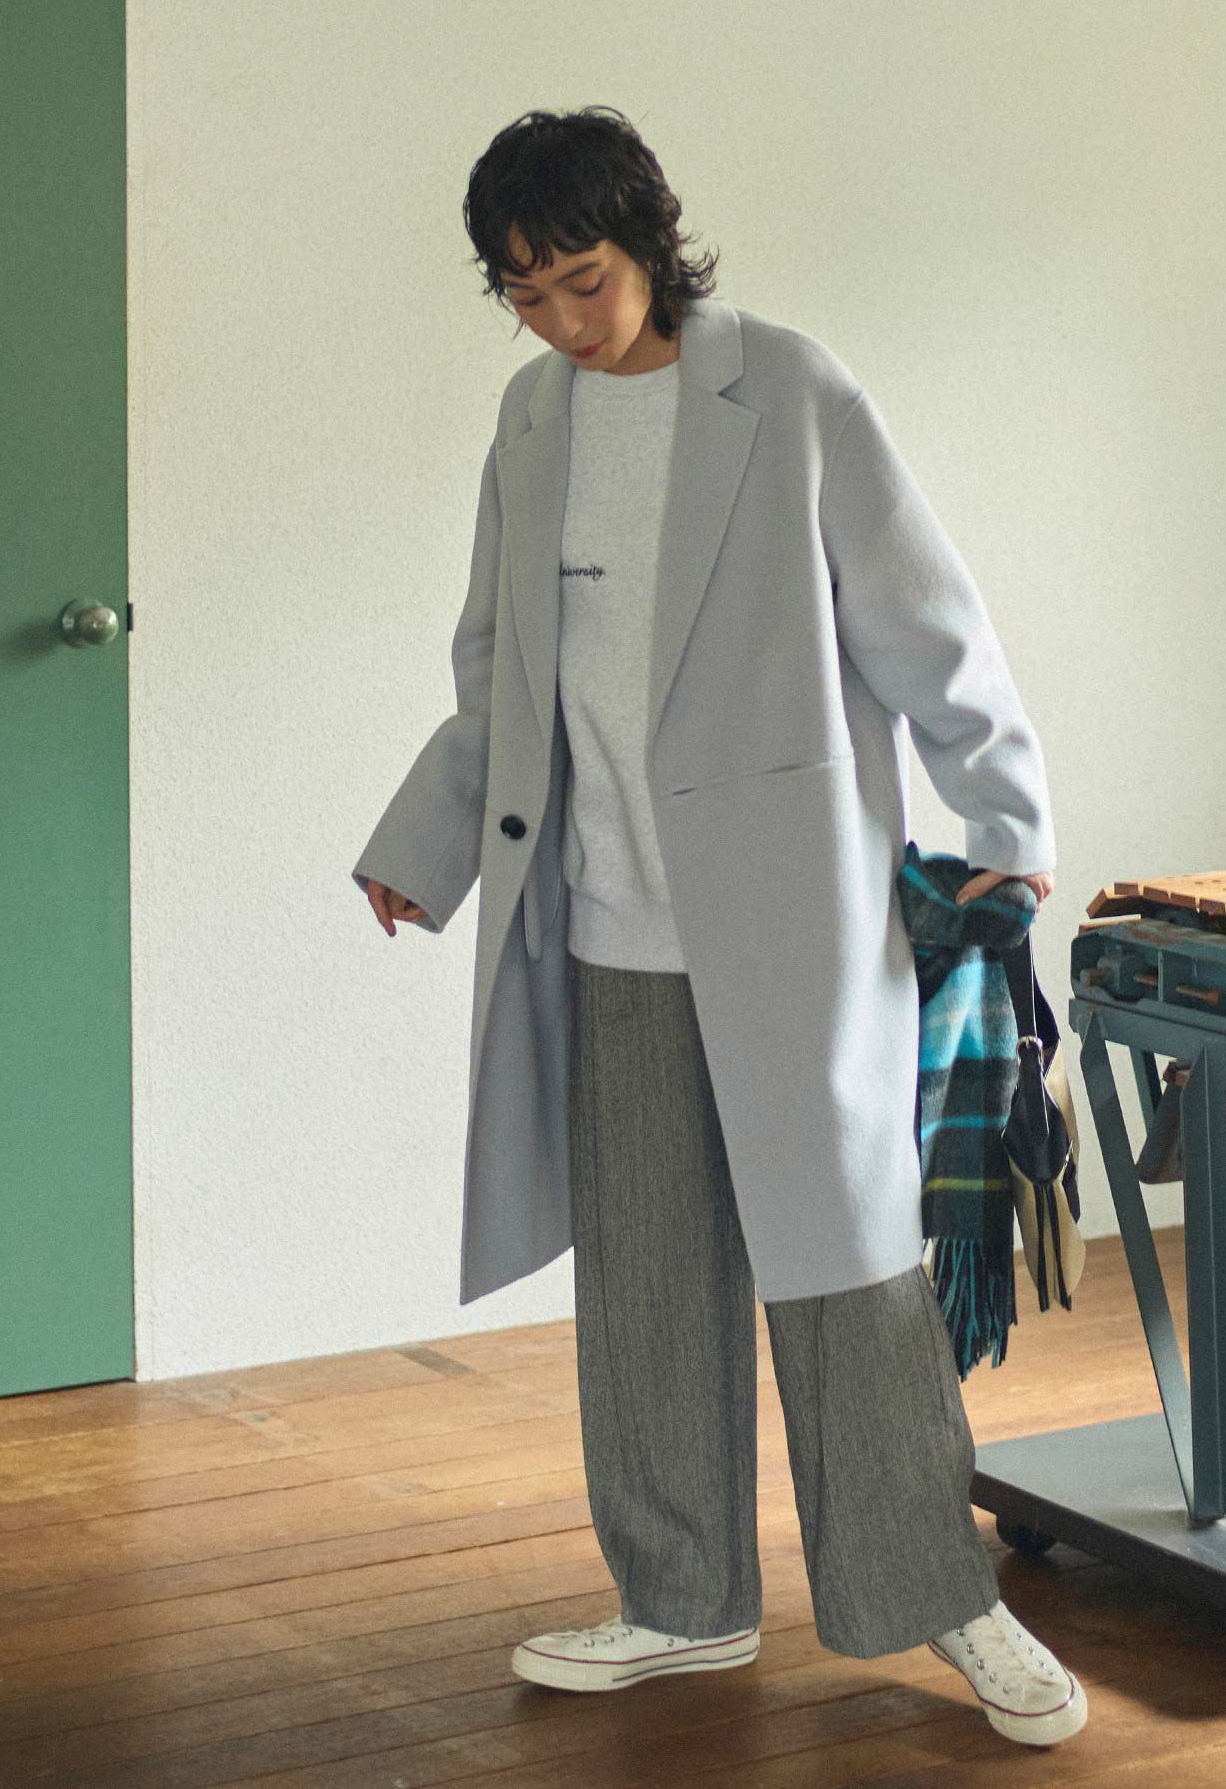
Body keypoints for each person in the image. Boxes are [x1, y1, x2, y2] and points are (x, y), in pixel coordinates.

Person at [361, 106, 1085, 1748]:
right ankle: (681, 1598)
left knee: (850, 1277)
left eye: (584, 281)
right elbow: (498, 673)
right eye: (526, 295)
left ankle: (945, 1598)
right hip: (604, 920)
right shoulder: (530, 423)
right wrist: (428, 845)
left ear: (650, 242)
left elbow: (928, 627)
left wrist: (1007, 827)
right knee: (645, 1286)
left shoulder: (790, 391)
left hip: (790, 924)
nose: (561, 321)